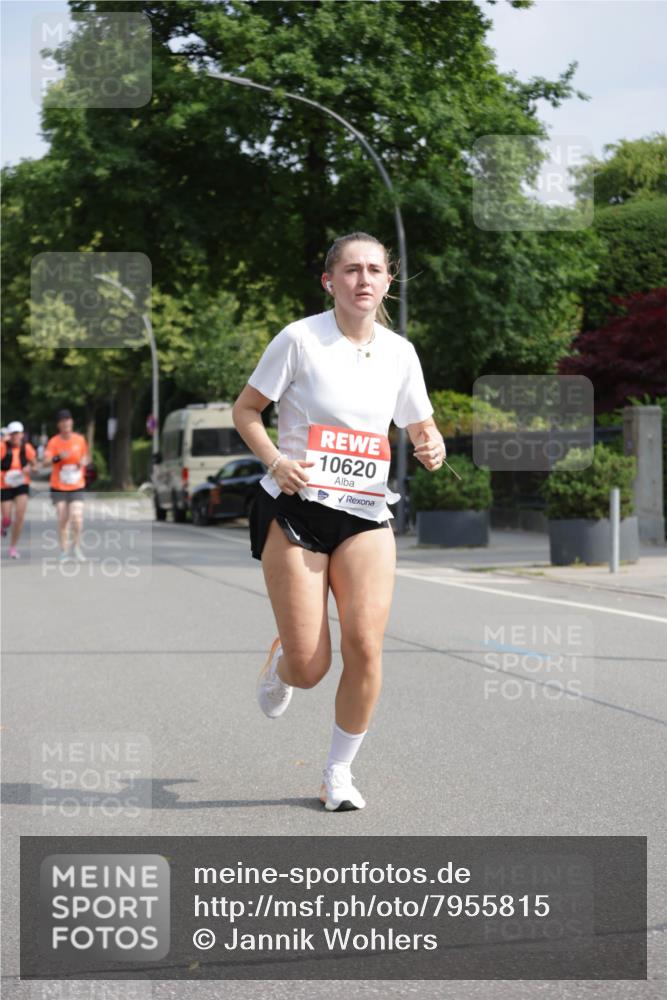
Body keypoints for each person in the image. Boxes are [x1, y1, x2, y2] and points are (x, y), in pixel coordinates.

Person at [232, 232, 446, 812]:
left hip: (366, 514)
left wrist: (433, 446)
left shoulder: (400, 352)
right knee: (310, 668)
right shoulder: (300, 339)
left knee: (366, 647)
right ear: (330, 282)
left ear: (388, 282)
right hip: (297, 510)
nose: (364, 280)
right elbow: (246, 410)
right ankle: (285, 660)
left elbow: (420, 426)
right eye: (351, 270)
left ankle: (337, 773)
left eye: (375, 269)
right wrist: (277, 459)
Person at [42, 409, 89, 562]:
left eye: (68, 420)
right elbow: (46, 462)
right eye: (62, 421)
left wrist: (84, 462)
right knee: (63, 517)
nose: (66, 423)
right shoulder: (54, 442)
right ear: (58, 425)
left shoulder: (80, 440)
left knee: (77, 517)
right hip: (59, 485)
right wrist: (58, 457)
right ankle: (64, 550)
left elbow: (86, 457)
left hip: (77, 483)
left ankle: (77, 547)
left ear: (72, 422)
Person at [1, 421, 37, 558]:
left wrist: (31, 469)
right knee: (6, 518)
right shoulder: (3, 447)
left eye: (18, 433)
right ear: (9, 435)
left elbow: (35, 466)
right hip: (5, 485)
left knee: (20, 515)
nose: (16, 436)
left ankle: (13, 547)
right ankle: (3, 524)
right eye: (13, 434)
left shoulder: (26, 448)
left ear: (22, 434)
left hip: (22, 483)